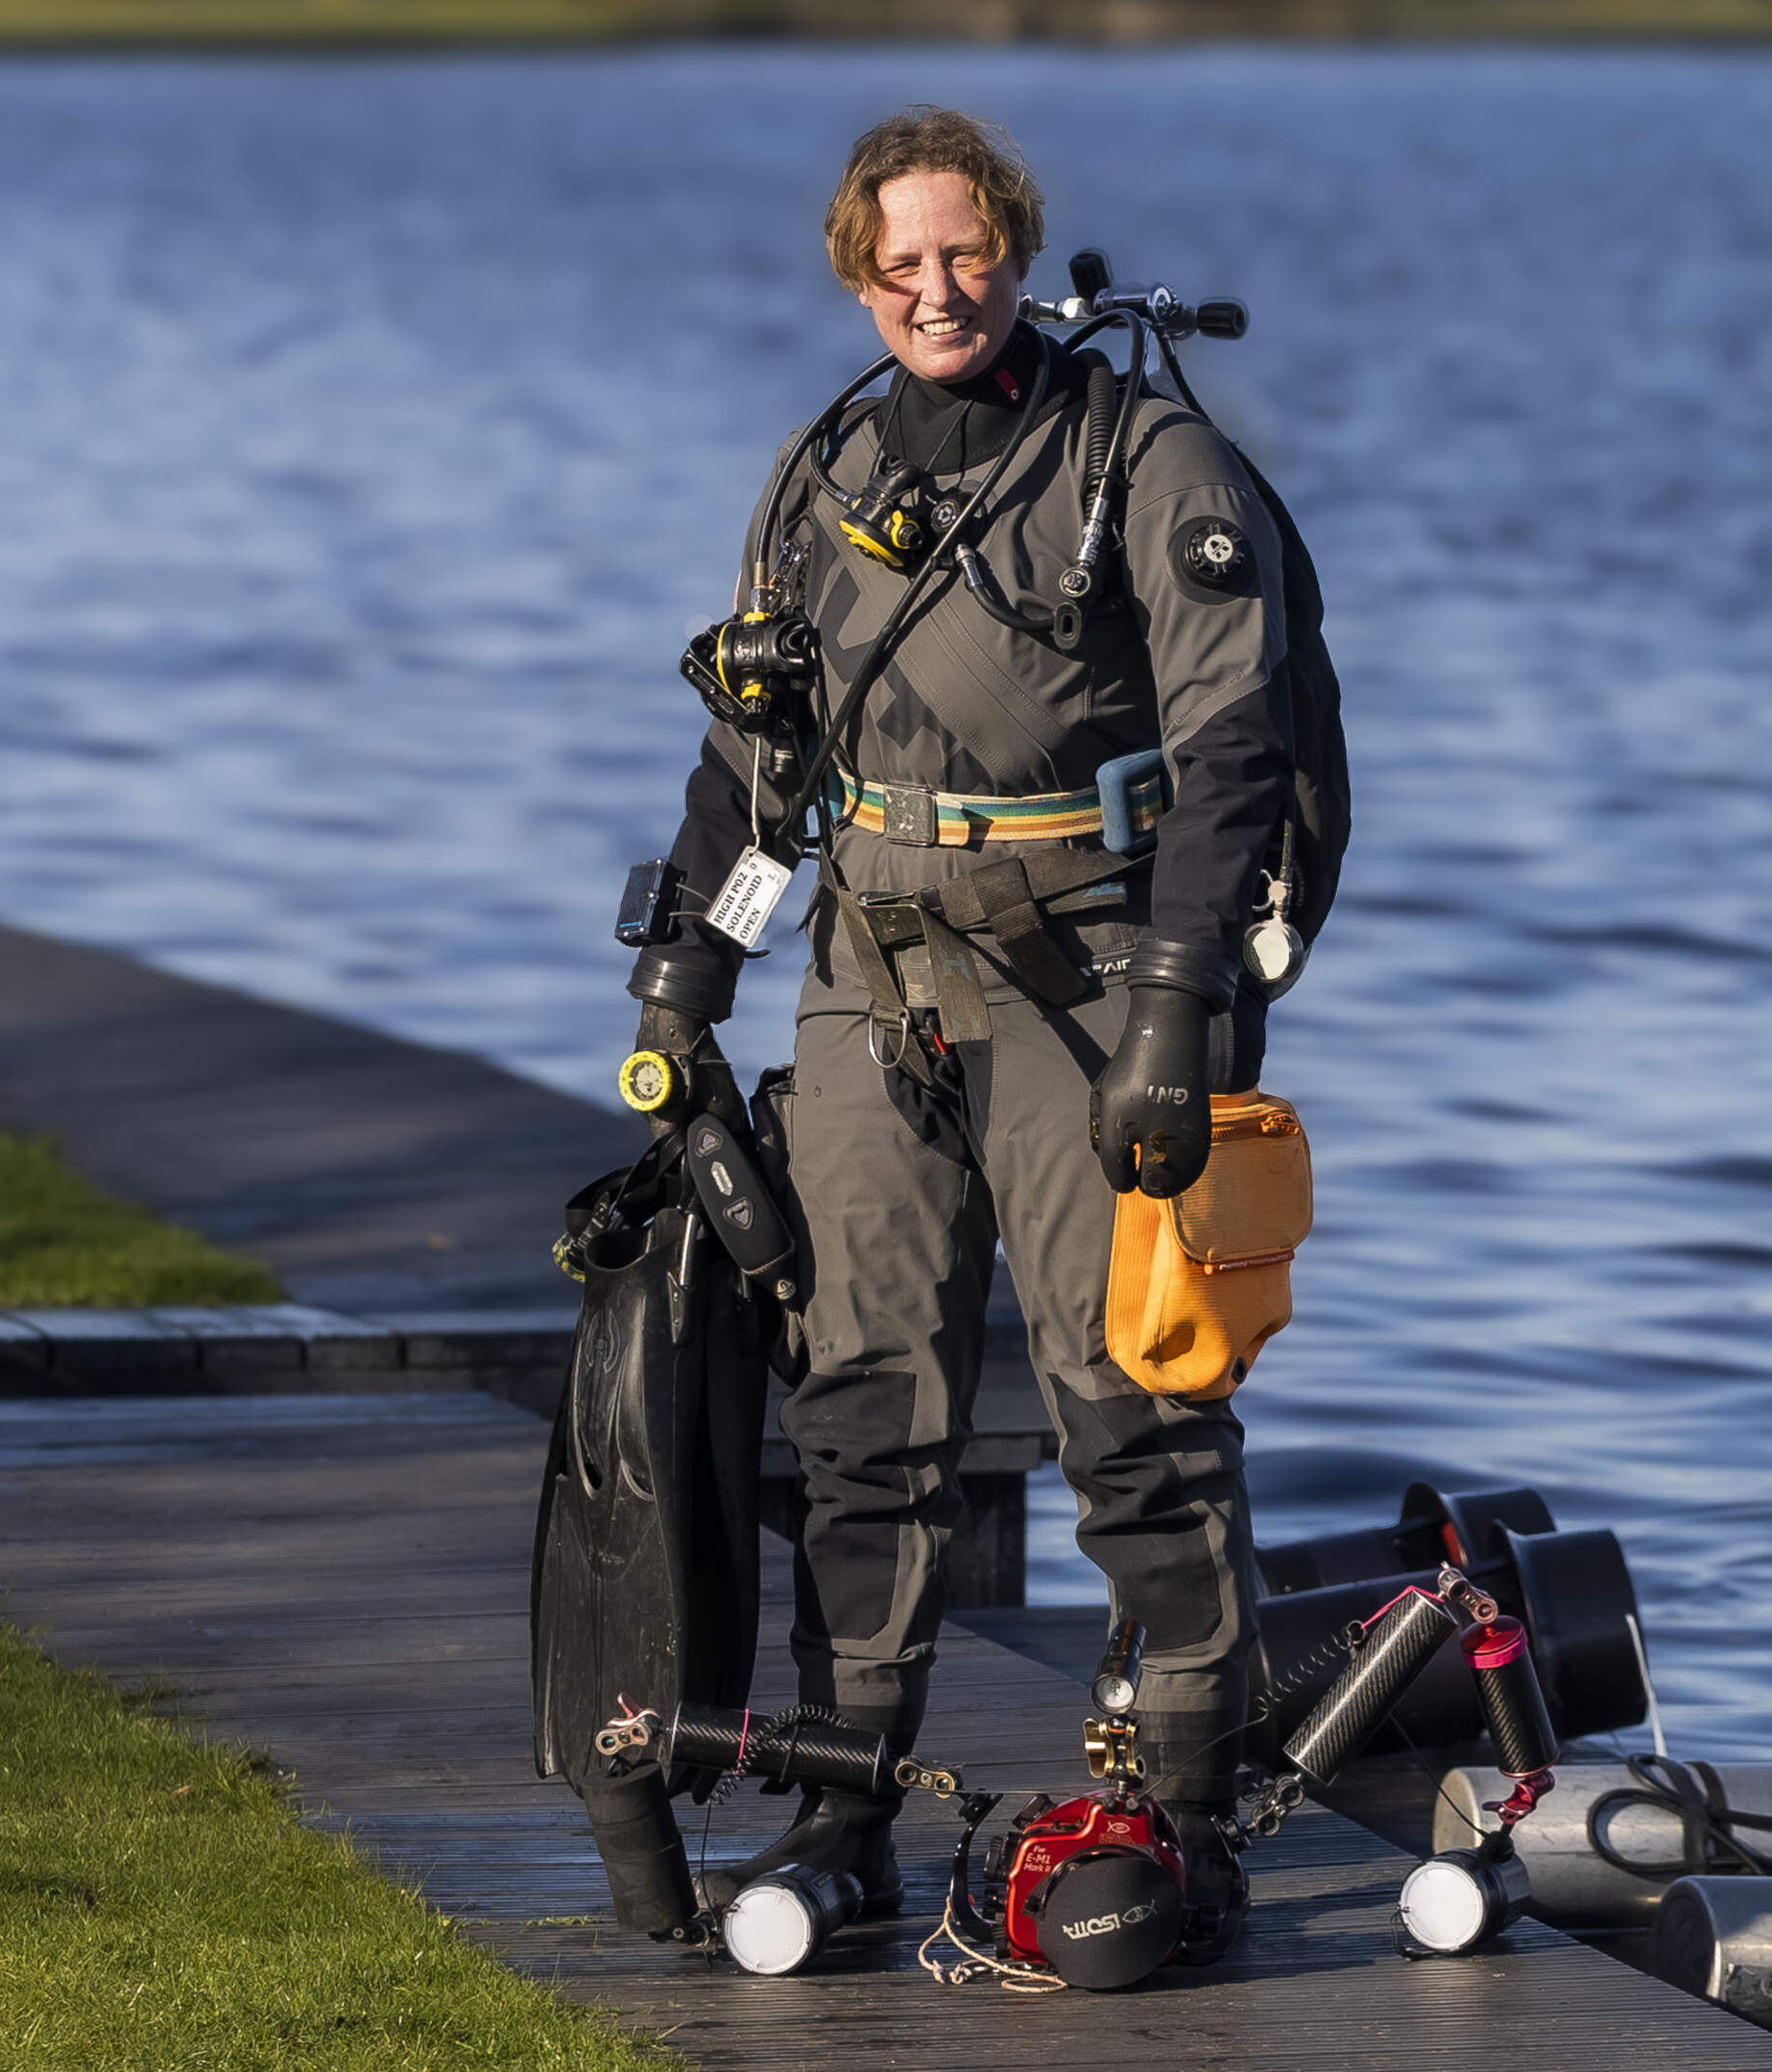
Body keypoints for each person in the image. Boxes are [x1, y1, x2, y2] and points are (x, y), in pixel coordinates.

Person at [619, 107, 1296, 1962]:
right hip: (867, 968)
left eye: (968, 251)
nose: (937, 288)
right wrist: (687, 972)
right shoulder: (819, 467)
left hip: (1088, 978)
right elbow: (757, 747)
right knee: (861, 1420)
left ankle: (1185, 1809)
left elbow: (1236, 756)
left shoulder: (1139, 455)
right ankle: (843, 1815)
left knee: (1138, 1416)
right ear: (856, 272)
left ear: (1020, 248)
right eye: (898, 262)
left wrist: (1181, 1009)